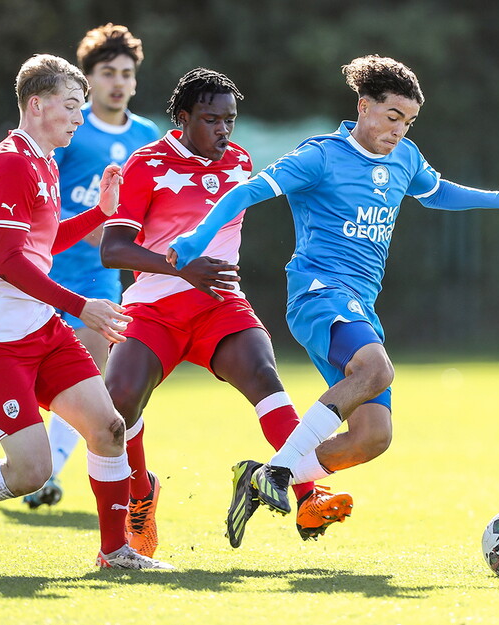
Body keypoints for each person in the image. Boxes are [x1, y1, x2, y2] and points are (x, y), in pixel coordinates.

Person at [167, 55, 499, 543]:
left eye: (408, 123)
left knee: (373, 438)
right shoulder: (320, 156)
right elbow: (246, 193)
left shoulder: (405, 158)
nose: (399, 131)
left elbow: (439, 194)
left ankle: (261, 475)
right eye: (392, 118)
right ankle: (281, 472)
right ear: (364, 106)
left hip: (360, 306)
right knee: (378, 370)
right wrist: (199, 240)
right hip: (318, 292)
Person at [0, 54, 172, 571]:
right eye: (71, 106)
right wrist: (80, 306)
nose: (78, 117)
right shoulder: (9, 163)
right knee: (30, 472)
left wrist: (100, 213)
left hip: (41, 329)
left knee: (109, 427)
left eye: (81, 108)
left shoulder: (44, 161)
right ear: (36, 104)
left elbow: (42, 246)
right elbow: (8, 263)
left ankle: (115, 552)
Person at [99, 68, 354, 556]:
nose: (222, 130)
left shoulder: (239, 160)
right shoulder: (146, 164)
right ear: (183, 118)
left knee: (265, 377)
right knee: (120, 400)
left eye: (229, 120)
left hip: (221, 304)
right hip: (155, 308)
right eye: (211, 119)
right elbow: (113, 250)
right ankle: (140, 495)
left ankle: (306, 495)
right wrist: (182, 270)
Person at [0, 24, 161, 514]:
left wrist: (113, 222)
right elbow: (19, 249)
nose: (117, 83)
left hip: (100, 271)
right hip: (47, 272)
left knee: (94, 373)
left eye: (126, 73)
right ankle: (7, 414)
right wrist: (98, 223)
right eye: (107, 74)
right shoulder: (43, 146)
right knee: (51, 372)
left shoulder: (144, 136)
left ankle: (52, 474)